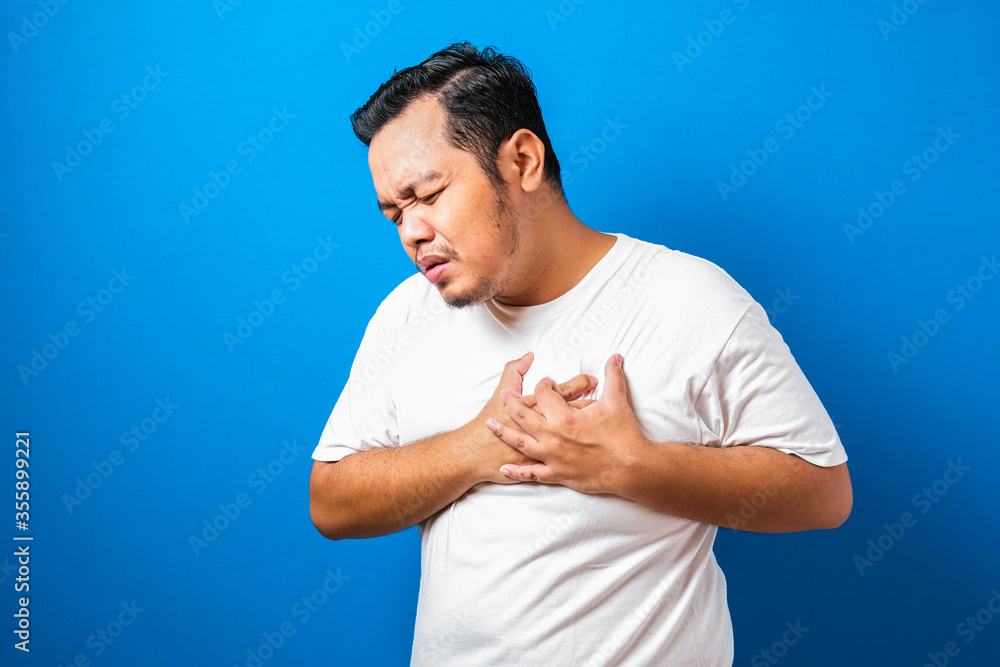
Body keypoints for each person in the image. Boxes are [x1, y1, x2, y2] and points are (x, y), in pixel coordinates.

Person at [309, 41, 852, 666]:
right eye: (394, 213)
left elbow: (824, 492)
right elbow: (332, 500)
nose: (411, 231)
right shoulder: (407, 313)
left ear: (523, 160)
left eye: (428, 195)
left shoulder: (689, 299)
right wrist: (477, 448)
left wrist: (630, 466)